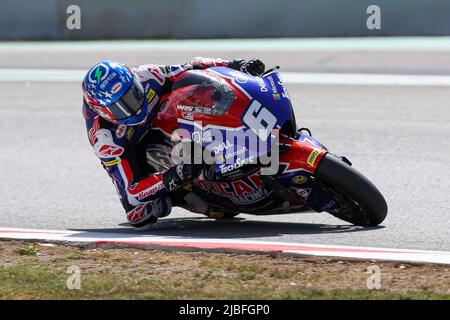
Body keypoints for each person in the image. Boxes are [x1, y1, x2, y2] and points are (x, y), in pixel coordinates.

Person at [82, 57, 265, 229]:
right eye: (120, 107)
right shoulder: (105, 139)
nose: (133, 107)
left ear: (134, 79)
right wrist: (173, 176)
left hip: (164, 118)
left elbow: (192, 66)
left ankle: (230, 136)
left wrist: (235, 65)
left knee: (192, 87)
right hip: (134, 150)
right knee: (139, 214)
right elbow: (133, 191)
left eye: (133, 94)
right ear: (103, 111)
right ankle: (186, 195)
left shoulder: (147, 74)